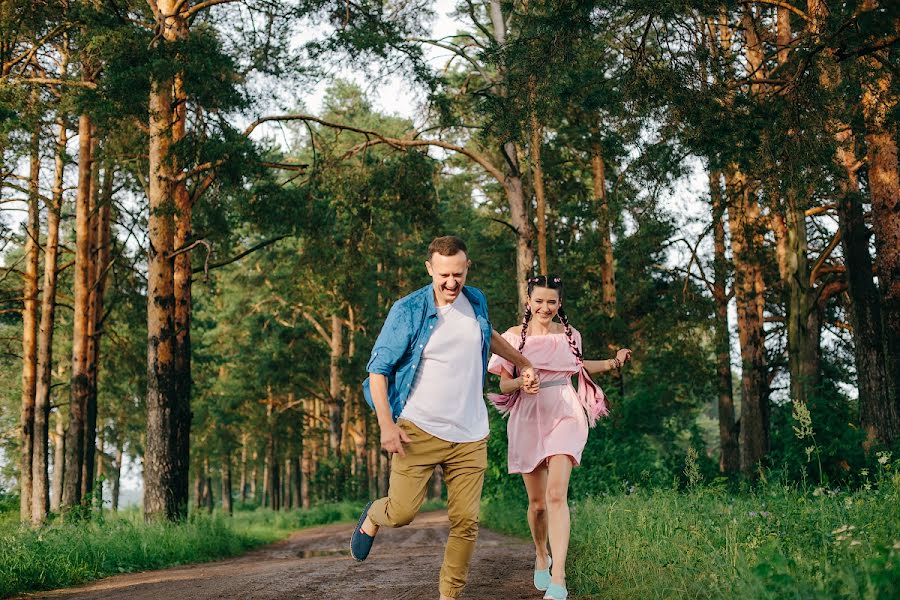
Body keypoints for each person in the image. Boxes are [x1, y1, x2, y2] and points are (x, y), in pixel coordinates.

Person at [350, 235, 539, 600]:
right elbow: (378, 371)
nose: (451, 283)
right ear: (430, 269)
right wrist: (387, 427)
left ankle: (449, 596)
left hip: (470, 434)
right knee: (402, 512)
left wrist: (523, 361)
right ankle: (374, 515)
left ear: (466, 267)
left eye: (458, 273)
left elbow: (489, 335)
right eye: (443, 275)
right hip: (417, 429)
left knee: (466, 522)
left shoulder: (476, 300)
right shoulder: (408, 310)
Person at [487, 274, 632, 600]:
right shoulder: (512, 338)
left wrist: (614, 361)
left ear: (559, 304)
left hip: (565, 411)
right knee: (538, 505)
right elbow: (504, 385)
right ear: (528, 302)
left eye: (551, 301)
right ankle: (541, 553)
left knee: (556, 496)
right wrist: (522, 382)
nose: (545, 307)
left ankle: (559, 577)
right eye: (539, 301)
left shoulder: (570, 335)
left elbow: (577, 368)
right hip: (527, 416)